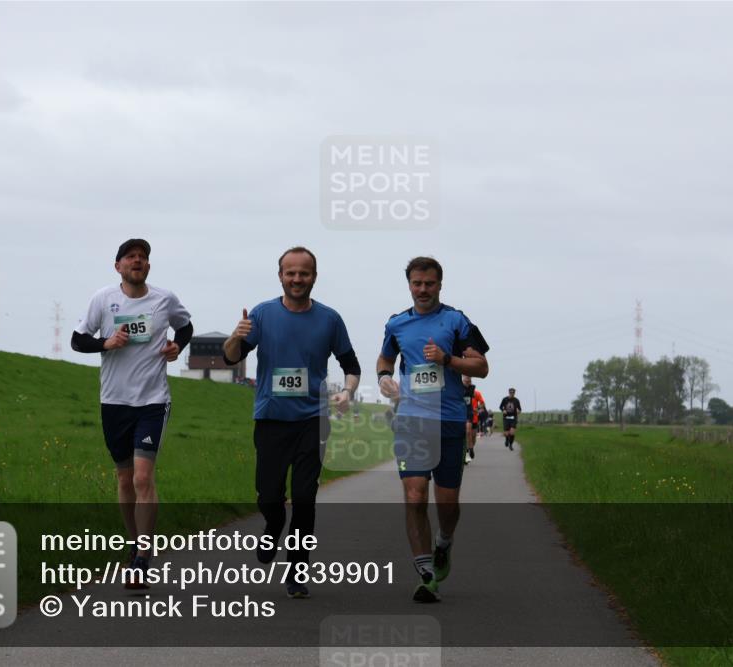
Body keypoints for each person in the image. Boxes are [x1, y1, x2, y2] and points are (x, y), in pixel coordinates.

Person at [223, 246, 360, 600]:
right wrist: (236, 335)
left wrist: (347, 392)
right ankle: (272, 523)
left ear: (314, 276)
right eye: (291, 273)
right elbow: (231, 357)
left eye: (304, 273)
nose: (297, 279)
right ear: (280, 275)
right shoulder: (263, 314)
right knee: (269, 496)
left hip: (313, 421)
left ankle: (297, 570)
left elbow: (351, 365)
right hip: (271, 419)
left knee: (304, 497)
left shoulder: (330, 319)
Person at [71, 239, 193, 588]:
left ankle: (142, 557)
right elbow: (79, 341)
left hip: (153, 401)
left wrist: (176, 347)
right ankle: (134, 541)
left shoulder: (164, 299)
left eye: (143, 257)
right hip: (114, 402)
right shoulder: (103, 299)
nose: (137, 261)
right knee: (124, 480)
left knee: (142, 478)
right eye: (131, 257)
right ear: (118, 266)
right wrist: (105, 343)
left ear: (148, 267)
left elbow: (185, 327)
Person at [377, 256, 489, 602]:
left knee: (448, 504)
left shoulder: (456, 321)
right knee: (413, 496)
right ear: (408, 284)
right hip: (411, 421)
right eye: (416, 283)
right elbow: (385, 359)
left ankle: (444, 544)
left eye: (429, 283)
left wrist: (448, 360)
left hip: (450, 421)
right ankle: (426, 574)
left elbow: (481, 366)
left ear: (440, 284)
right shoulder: (397, 324)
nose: (422, 289)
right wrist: (384, 378)